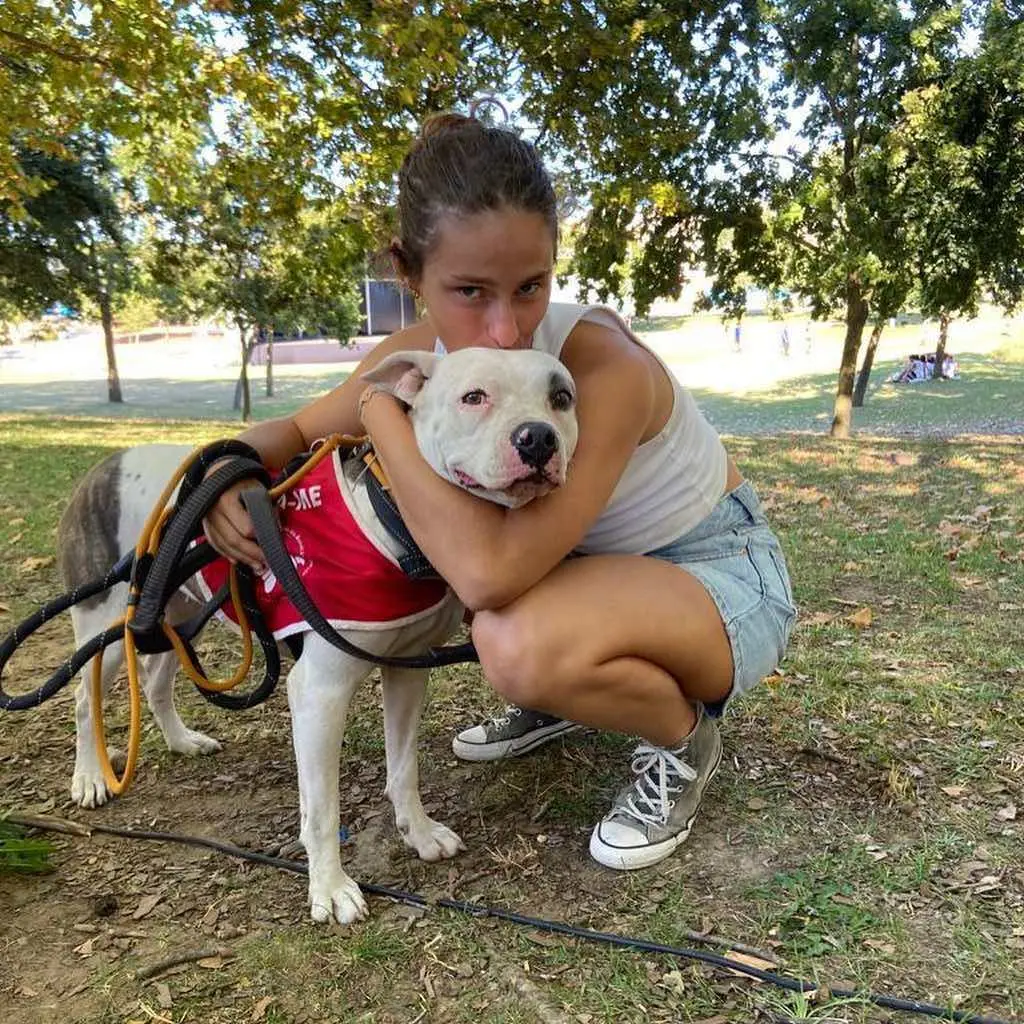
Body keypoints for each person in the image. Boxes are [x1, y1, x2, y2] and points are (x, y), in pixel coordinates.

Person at [204, 113, 797, 871]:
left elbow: (487, 574)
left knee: (512, 640)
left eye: (530, 288)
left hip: (720, 574)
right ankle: (562, 696)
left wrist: (382, 414)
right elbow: (284, 432)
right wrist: (226, 471)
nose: (506, 327)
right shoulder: (418, 357)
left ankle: (683, 744)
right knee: (519, 625)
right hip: (597, 577)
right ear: (408, 274)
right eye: (469, 290)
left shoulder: (603, 366)